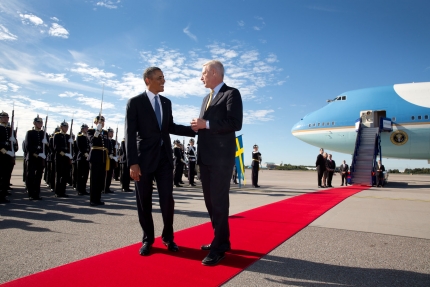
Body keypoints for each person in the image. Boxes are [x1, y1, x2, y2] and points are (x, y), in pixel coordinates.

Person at [125, 66, 195, 256]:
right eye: (159, 78)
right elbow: (130, 135)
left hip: (164, 158)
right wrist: (133, 162)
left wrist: (193, 129)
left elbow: (169, 126)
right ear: (148, 80)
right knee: (144, 202)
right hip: (143, 160)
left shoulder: (166, 102)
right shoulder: (135, 103)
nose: (163, 81)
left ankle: (168, 238)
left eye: (164, 77)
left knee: (167, 201)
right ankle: (148, 239)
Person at [190, 60, 243, 266]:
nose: (201, 77)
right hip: (205, 158)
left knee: (219, 203)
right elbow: (206, 126)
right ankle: (221, 240)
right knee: (211, 202)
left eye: (203, 73)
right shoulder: (206, 98)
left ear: (214, 72)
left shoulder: (231, 94)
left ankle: (219, 248)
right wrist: (199, 126)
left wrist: (207, 124)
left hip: (221, 159)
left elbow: (235, 123)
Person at [87, 115, 112, 206]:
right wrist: (97, 131)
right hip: (95, 157)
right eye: (100, 121)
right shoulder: (91, 131)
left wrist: (110, 153)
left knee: (101, 179)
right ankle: (93, 200)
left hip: (103, 157)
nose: (102, 122)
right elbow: (92, 142)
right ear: (95, 122)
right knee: (94, 179)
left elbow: (107, 144)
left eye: (103, 121)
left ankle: (98, 198)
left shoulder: (105, 132)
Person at [24, 115, 49, 200]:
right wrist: (36, 154)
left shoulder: (44, 134)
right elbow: (28, 146)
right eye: (38, 122)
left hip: (41, 158)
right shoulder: (30, 133)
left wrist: (46, 144)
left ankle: (37, 193)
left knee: (38, 176)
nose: (40, 124)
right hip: (32, 157)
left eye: (41, 122)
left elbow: (48, 148)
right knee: (31, 176)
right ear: (34, 123)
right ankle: (31, 193)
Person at [53, 120, 72, 198]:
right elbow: (55, 147)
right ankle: (57, 192)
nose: (66, 128)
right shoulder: (57, 135)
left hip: (66, 158)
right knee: (59, 175)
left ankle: (63, 191)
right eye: (65, 127)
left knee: (65, 175)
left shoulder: (68, 136)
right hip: (59, 158)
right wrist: (64, 154)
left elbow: (69, 148)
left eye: (67, 127)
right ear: (61, 127)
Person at [0, 111, 15, 203]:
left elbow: (14, 144)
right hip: (1, 157)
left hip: (8, 158)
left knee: (6, 177)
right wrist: (6, 152)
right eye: (4, 117)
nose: (6, 119)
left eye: (7, 117)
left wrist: (14, 149)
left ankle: (3, 195)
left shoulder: (10, 130)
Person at [76, 124, 90, 195]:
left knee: (85, 175)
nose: (86, 129)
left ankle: (83, 189)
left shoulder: (87, 137)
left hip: (87, 158)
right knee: (80, 175)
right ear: (82, 129)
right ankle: (79, 190)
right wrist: (84, 153)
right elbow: (79, 146)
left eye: (87, 128)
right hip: (81, 157)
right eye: (85, 128)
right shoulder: (79, 136)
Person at [104, 127, 117, 193]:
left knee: (110, 174)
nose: (112, 133)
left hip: (112, 159)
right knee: (106, 174)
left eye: (112, 132)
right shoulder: (105, 140)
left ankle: (107, 187)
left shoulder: (113, 141)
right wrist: (109, 154)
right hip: (107, 159)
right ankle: (104, 188)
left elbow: (114, 151)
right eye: (111, 132)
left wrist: (115, 156)